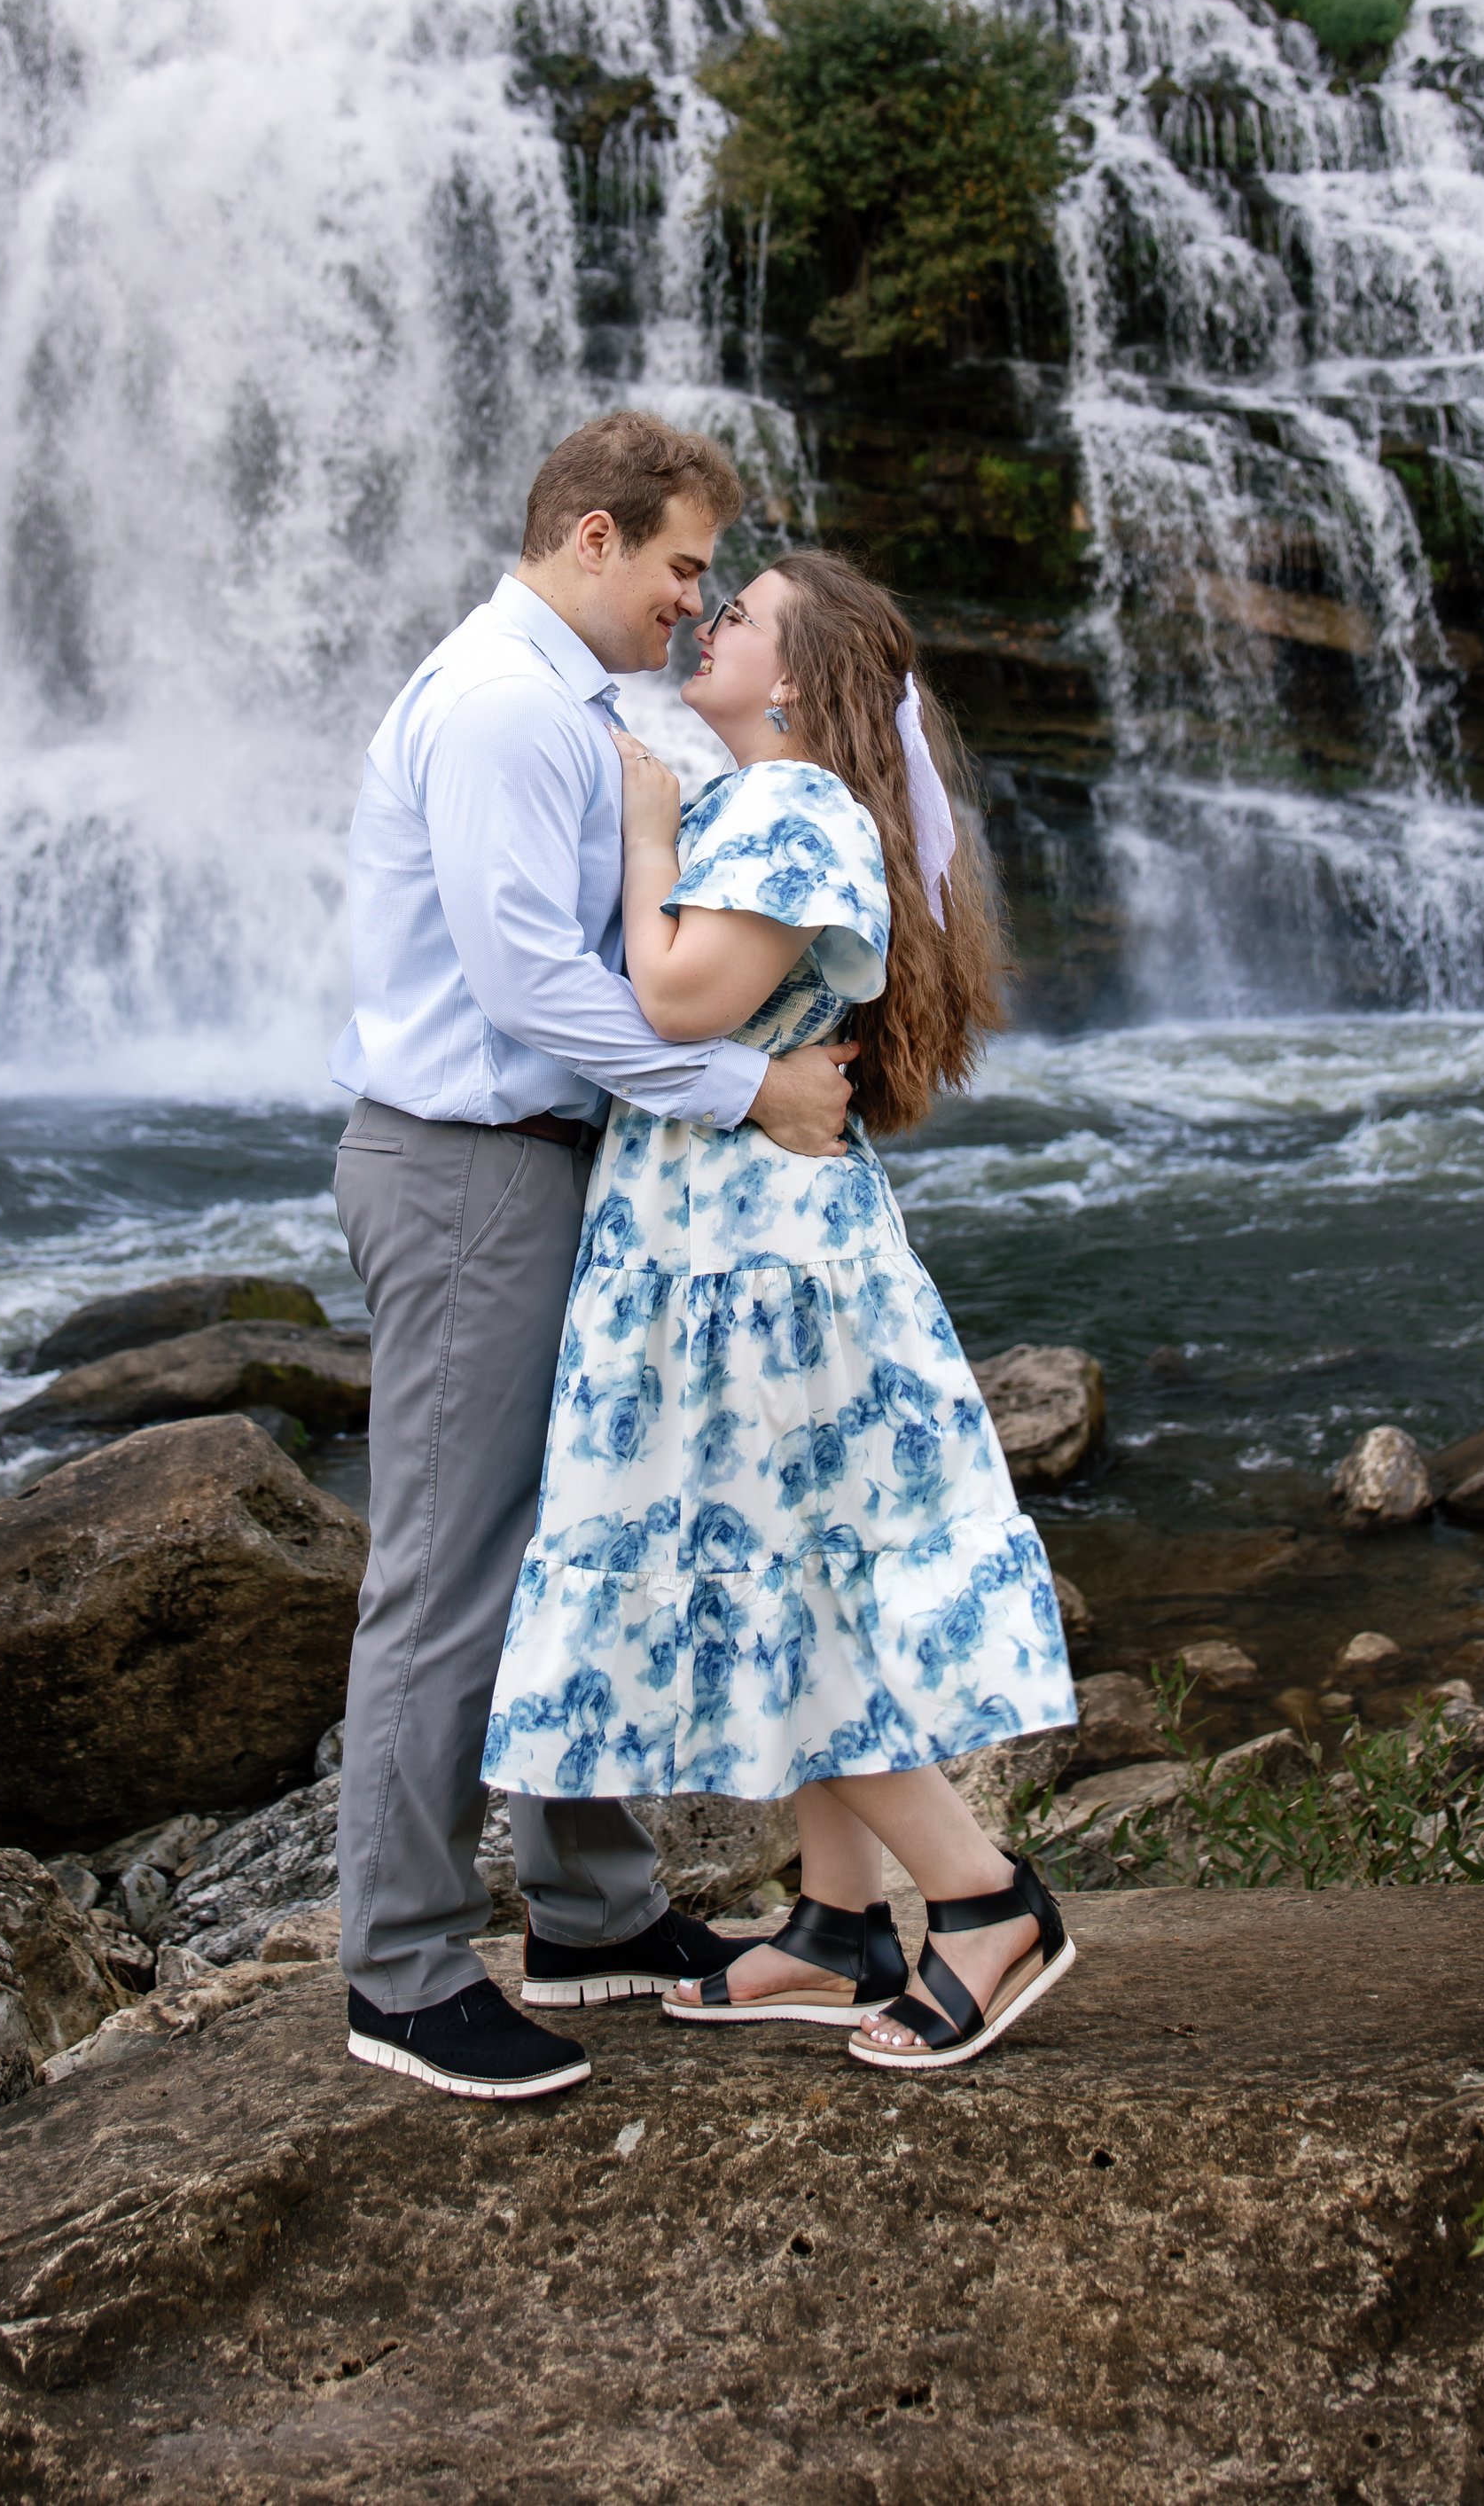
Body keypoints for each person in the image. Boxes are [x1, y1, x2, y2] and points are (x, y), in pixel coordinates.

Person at [485, 549, 1079, 2074]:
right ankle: (835, 1920)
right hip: (714, 1240)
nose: (704, 620)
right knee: (781, 1560)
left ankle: (987, 1895)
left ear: (800, 680)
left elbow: (679, 995)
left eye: (737, 613)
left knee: (793, 1578)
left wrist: (639, 832)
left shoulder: (796, 806)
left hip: (753, 1267)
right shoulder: (768, 804)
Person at [329, 413, 862, 2103]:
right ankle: (403, 1974)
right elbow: (530, 993)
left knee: (576, 1539)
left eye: (715, 580)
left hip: (553, 1170)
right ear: (591, 541)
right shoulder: (501, 707)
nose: (693, 609)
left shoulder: (584, 705)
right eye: (682, 567)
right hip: (473, 1171)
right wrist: (750, 1086)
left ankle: (595, 1912)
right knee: (448, 1573)